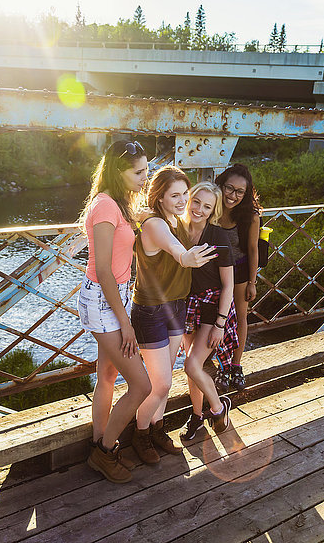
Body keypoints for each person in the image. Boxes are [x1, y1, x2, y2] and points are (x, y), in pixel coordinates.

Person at [131, 166, 217, 464]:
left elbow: (187, 229)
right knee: (163, 383)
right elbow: (175, 249)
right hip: (151, 310)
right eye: (175, 195)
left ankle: (157, 429)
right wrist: (186, 257)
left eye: (185, 194)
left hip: (176, 307)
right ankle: (140, 434)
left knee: (162, 381)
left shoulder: (175, 219)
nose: (182, 201)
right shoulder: (153, 222)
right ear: (160, 196)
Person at [77, 140, 152, 484]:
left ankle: (98, 441)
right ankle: (105, 452)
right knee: (141, 385)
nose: (145, 178)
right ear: (116, 171)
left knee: (107, 376)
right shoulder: (105, 206)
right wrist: (126, 324)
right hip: (104, 302)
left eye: (147, 170)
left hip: (112, 297)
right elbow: (104, 269)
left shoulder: (118, 203)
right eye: (138, 172)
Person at [180, 182, 238, 441]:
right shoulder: (177, 231)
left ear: (213, 210)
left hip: (213, 307)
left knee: (191, 364)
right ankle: (196, 415)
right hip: (186, 306)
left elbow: (229, 285)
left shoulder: (218, 237)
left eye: (207, 206)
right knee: (195, 365)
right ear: (188, 200)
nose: (199, 210)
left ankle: (218, 408)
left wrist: (220, 324)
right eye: (196, 202)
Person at [214, 163, 261, 392]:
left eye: (240, 191)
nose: (233, 196)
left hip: (239, 271)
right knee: (216, 318)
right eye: (229, 189)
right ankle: (219, 365)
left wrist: (252, 282)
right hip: (212, 271)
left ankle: (235, 365)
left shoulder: (250, 216)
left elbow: (253, 250)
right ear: (221, 185)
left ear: (246, 193)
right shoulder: (210, 207)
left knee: (240, 317)